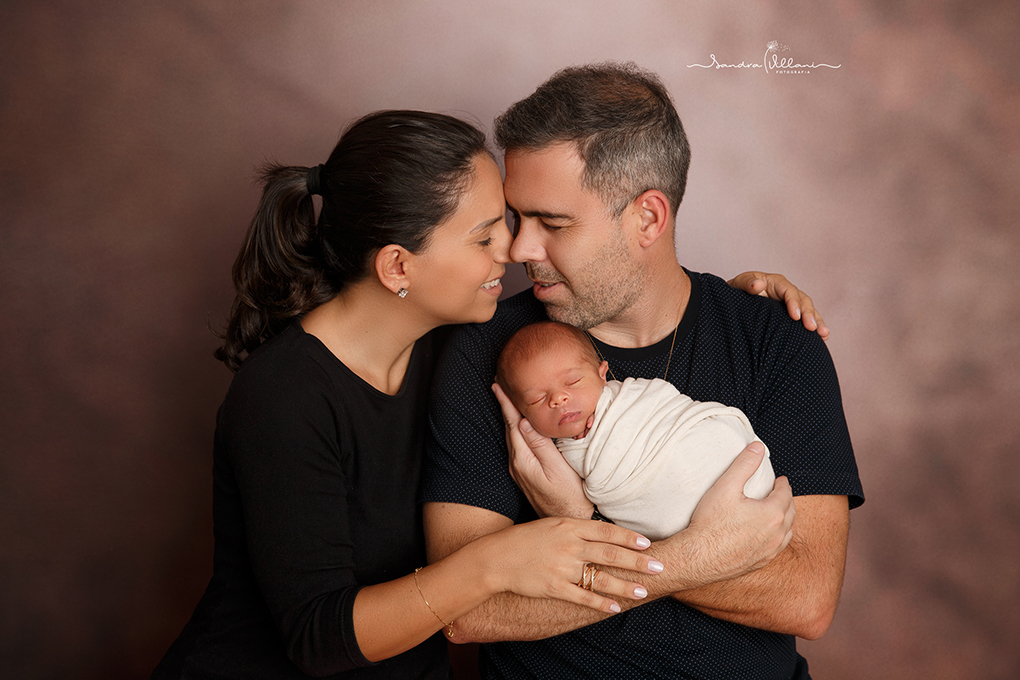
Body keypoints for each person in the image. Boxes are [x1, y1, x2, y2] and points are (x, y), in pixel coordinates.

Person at [151, 110, 669, 680]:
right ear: (398, 266)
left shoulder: (459, 345)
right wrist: (493, 564)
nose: (514, 249)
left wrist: (739, 300)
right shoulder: (284, 396)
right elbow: (318, 639)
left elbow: (597, 349)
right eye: (485, 236)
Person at [422, 63, 864, 679]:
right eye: (518, 218)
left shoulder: (774, 339)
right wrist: (698, 557)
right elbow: (466, 609)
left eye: (553, 223)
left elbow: (806, 598)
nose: (519, 249)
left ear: (648, 220)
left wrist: (580, 523)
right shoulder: (491, 353)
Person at [495, 320, 775, 541]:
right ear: (522, 412)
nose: (558, 398)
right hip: (665, 509)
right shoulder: (551, 458)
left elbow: (665, 402)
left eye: (573, 381)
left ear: (602, 373)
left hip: (698, 444)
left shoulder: (632, 396)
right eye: (537, 399)